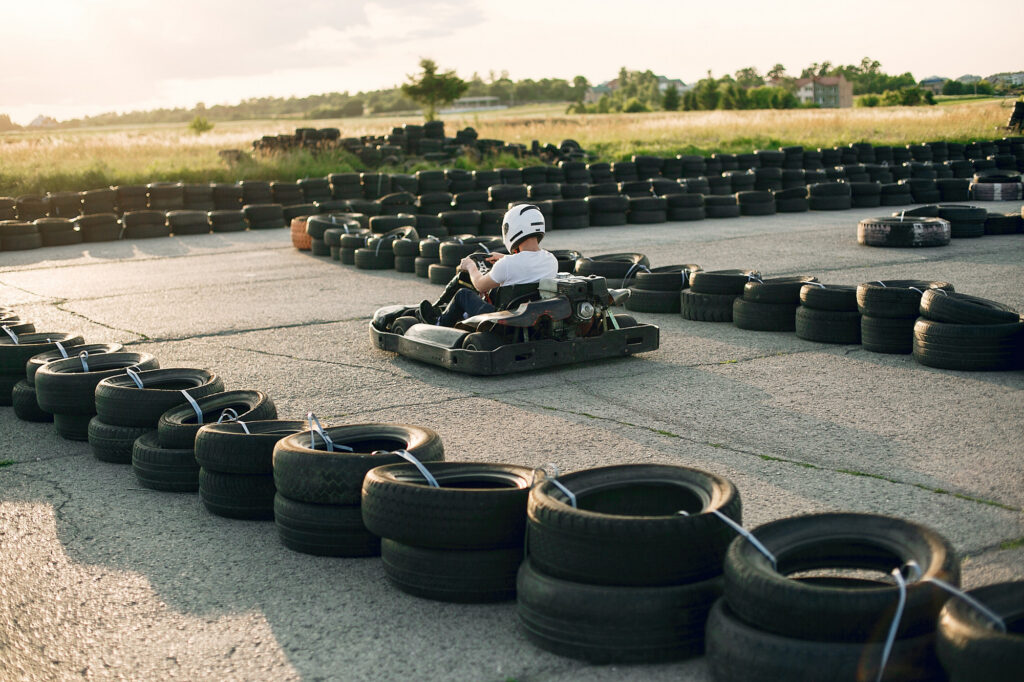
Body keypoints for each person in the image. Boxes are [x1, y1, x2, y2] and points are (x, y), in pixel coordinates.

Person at [419, 204, 558, 326]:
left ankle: (438, 322)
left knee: (463, 294)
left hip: (501, 317)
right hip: (529, 314)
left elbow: (480, 284)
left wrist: (470, 266)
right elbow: (527, 264)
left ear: (514, 228)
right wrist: (504, 258)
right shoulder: (551, 260)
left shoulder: (507, 265)